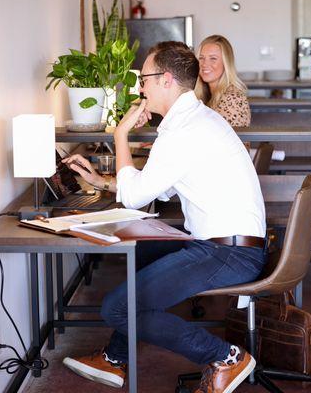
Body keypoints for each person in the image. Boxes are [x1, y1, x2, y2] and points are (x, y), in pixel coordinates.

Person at [61, 41, 267, 393]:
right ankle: (114, 358)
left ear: (166, 80)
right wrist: (101, 181)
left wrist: (120, 134)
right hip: (223, 243)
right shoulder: (192, 119)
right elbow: (157, 188)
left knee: (117, 308)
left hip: (228, 252)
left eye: (144, 79)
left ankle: (226, 357)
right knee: (139, 254)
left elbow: (136, 196)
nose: (140, 87)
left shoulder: (183, 130)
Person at [195, 35, 251, 128]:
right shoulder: (204, 94)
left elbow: (226, 140)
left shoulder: (233, 99)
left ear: (226, 63)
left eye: (213, 58)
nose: (204, 64)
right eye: (201, 58)